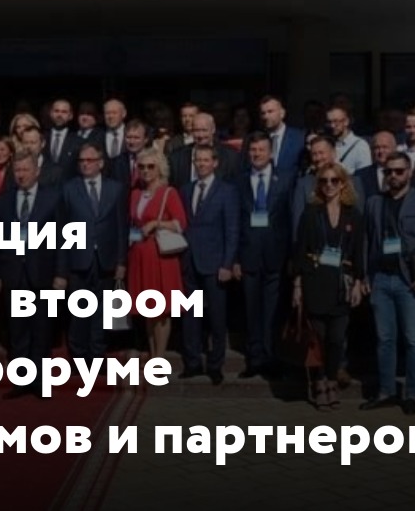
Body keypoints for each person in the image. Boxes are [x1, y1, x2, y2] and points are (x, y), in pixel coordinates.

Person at [361, 152, 415, 416]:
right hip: (381, 279)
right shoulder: (374, 202)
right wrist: (366, 276)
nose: (393, 176)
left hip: (410, 281)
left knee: (413, 339)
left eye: (398, 171)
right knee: (384, 339)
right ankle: (386, 391)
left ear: (409, 172)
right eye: (388, 171)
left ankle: (413, 393)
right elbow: (367, 241)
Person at [0, 152, 63, 398]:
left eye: (25, 170)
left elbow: (63, 240)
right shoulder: (5, 199)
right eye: (17, 170)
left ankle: (40, 381)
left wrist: (60, 274)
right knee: (18, 329)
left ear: (37, 171)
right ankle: (21, 381)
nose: (21, 175)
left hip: (42, 273)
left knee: (41, 329)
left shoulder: (52, 198)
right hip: (13, 273)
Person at [293, 161, 365, 410]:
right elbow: (300, 250)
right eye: (324, 181)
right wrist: (297, 286)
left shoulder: (353, 214)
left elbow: (358, 251)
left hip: (341, 283)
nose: (329, 185)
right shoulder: (311, 213)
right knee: (319, 337)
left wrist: (358, 281)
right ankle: (320, 380)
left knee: (336, 338)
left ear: (343, 184)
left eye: (334, 180)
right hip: (315, 280)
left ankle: (332, 378)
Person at [57, 142, 128, 362]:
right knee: (79, 311)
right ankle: (78, 356)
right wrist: (62, 269)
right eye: (82, 161)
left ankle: (97, 355)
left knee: (101, 312)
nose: (85, 164)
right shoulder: (69, 188)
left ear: (101, 163)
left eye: (90, 160)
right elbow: (61, 231)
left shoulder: (115, 189)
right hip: (78, 260)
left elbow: (121, 227)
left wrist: (121, 261)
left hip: (106, 260)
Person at [179, 145, 240, 384]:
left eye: (206, 160)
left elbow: (232, 230)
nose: (201, 164)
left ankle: (215, 365)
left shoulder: (227, 191)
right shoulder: (186, 189)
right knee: (191, 316)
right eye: (198, 160)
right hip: (190, 262)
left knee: (216, 317)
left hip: (215, 264)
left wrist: (227, 263)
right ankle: (192, 363)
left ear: (215, 163)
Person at [236, 134, 294, 379]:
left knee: (273, 310)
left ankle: (271, 356)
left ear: (271, 153)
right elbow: (235, 222)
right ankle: (255, 358)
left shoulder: (287, 178)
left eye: (261, 150)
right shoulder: (238, 180)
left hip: (276, 255)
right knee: (251, 310)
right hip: (248, 255)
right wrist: (235, 259)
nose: (257, 154)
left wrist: (291, 256)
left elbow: (291, 218)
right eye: (253, 150)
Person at [126, 148, 187, 361]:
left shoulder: (169, 193)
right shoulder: (135, 194)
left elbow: (180, 223)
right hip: (139, 254)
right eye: (141, 166)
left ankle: (159, 359)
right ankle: (152, 355)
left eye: (150, 166)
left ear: (160, 168)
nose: (145, 170)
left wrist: (156, 223)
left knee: (160, 311)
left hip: (160, 256)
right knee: (147, 311)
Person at [327, 105, 372, 174]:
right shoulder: (327, 143)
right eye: (329, 122)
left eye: (336, 121)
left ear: (346, 122)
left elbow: (365, 174)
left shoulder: (360, 146)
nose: (332, 126)